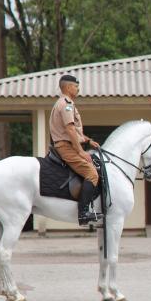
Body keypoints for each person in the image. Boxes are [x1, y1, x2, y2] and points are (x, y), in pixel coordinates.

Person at [49, 74, 102, 226]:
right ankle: (83, 212)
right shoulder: (66, 104)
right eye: (76, 86)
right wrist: (80, 151)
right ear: (67, 87)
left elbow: (75, 132)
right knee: (92, 174)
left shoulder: (65, 103)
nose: (78, 89)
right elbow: (70, 130)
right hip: (67, 147)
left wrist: (88, 140)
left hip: (67, 144)